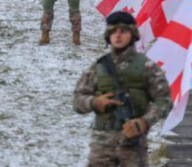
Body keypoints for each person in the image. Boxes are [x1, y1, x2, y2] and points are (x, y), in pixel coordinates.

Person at [73, 11, 173, 166]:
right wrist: (94, 102)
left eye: (123, 31)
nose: (117, 35)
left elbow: (164, 101)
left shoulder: (147, 67)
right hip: (102, 143)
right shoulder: (99, 67)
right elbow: (78, 100)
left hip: (133, 143)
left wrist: (144, 122)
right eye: (113, 31)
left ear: (132, 34)